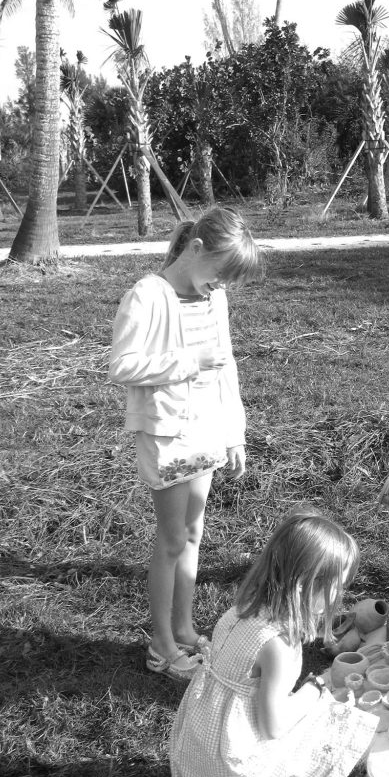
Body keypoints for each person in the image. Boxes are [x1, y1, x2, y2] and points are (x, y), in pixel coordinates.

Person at [109, 206, 263, 682]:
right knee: (172, 539)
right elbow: (123, 366)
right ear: (196, 249)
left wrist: (234, 432)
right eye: (220, 273)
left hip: (207, 429)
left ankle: (183, 627)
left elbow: (226, 367)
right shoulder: (147, 296)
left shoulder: (213, 300)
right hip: (168, 435)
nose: (222, 286)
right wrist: (187, 360)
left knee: (193, 536)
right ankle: (160, 645)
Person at [167, 512, 379, 777]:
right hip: (232, 771)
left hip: (197, 754)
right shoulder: (277, 646)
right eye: (335, 586)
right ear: (304, 584)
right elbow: (273, 727)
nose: (338, 595)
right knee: (326, 715)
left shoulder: (238, 612)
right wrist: (314, 691)